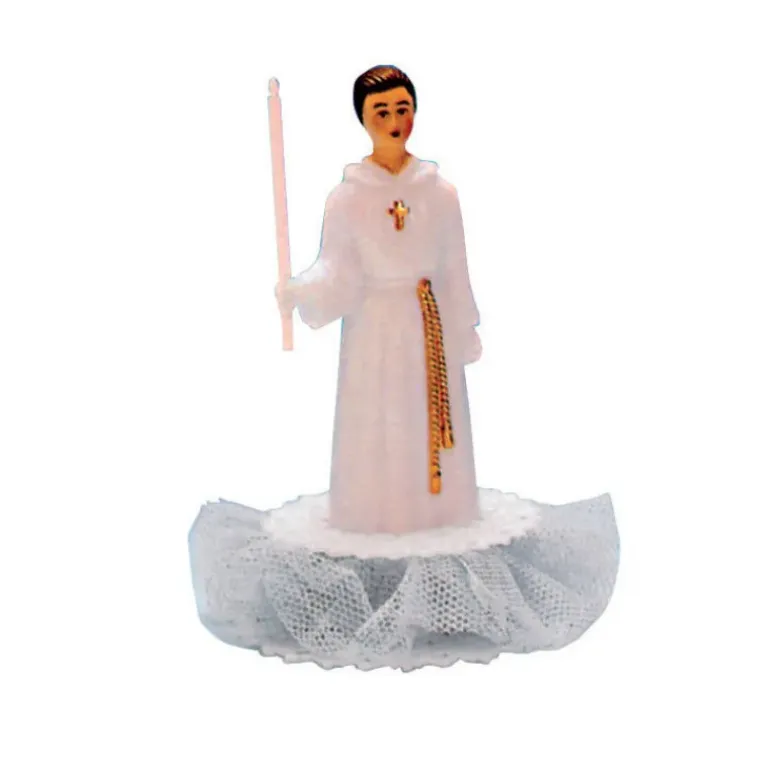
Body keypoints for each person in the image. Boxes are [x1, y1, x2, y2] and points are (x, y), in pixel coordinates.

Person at [275, 65, 484, 535]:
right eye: (381, 111)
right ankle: (374, 515)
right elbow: (336, 269)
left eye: (402, 109)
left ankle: (438, 516)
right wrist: (301, 290)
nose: (393, 121)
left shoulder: (440, 195)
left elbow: (455, 266)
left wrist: (464, 325)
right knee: (376, 420)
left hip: (428, 326)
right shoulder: (347, 199)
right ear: (363, 118)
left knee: (425, 417)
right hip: (372, 327)